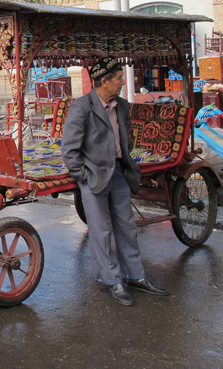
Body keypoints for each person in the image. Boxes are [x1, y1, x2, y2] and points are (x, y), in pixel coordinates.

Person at [60, 57, 169, 306]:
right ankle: (112, 280)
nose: (122, 82)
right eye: (119, 78)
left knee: (127, 227)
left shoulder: (121, 105)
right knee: (102, 231)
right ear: (104, 81)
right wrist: (83, 176)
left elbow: (125, 137)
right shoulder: (82, 107)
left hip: (119, 173)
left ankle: (136, 276)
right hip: (93, 176)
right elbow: (69, 149)